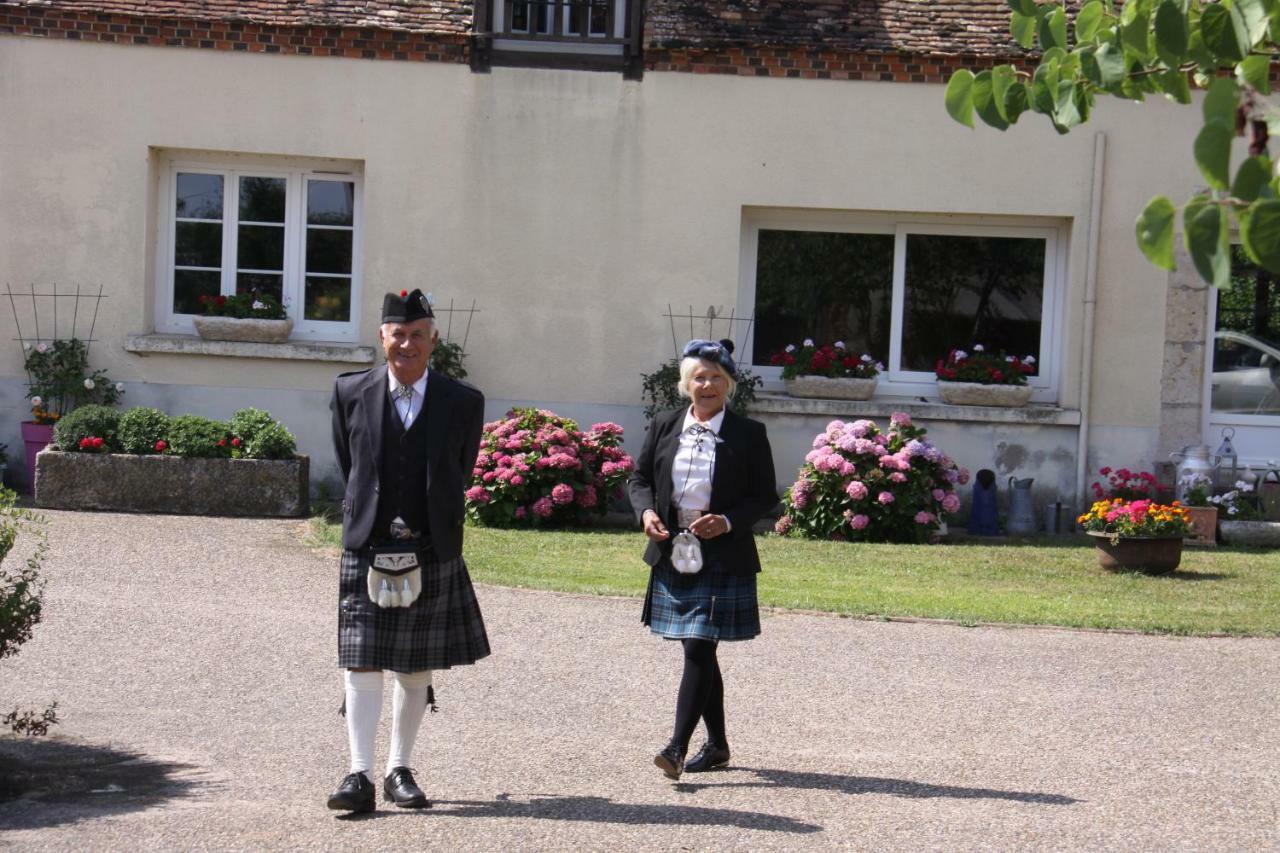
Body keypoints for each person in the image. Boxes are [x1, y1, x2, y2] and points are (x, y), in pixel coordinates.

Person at [326, 288, 490, 813]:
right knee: (362, 663)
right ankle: (358, 775)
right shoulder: (350, 391)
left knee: (415, 665)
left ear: (433, 340)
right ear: (382, 338)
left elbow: (459, 472)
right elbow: (350, 465)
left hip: (430, 544)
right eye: (398, 334)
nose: (407, 344)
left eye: (417, 334)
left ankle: (400, 768)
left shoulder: (463, 402)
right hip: (368, 543)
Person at [628, 338, 778, 780]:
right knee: (700, 649)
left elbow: (764, 496)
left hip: (722, 553)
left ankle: (676, 747)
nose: (707, 384)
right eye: (699, 377)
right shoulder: (663, 424)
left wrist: (728, 521)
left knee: (697, 645)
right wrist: (647, 512)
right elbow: (638, 478)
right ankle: (717, 745)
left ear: (728, 385)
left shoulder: (749, 434)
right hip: (673, 549)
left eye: (716, 377)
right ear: (685, 384)